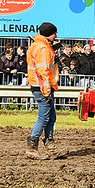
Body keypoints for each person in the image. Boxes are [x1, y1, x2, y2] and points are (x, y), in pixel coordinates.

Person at [26, 22, 67, 160]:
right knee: (43, 118)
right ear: (49, 33)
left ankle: (51, 148)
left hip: (42, 87)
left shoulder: (39, 46)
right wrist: (46, 91)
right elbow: (42, 71)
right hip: (43, 87)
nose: (56, 35)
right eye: (55, 33)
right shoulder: (43, 48)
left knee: (51, 117)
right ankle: (32, 148)